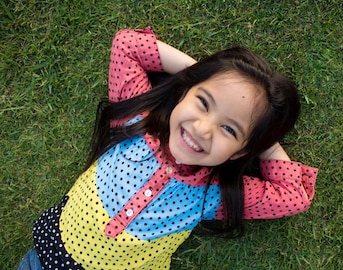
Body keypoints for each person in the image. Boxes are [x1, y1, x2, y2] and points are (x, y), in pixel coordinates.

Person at [18, 27, 317, 269]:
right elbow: (127, 45)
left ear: (239, 152)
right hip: (40, 258)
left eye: (229, 129)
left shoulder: (214, 194)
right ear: (184, 92)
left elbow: (295, 196)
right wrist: (202, 72)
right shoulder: (135, 119)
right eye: (203, 101)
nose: (202, 129)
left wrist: (261, 139)